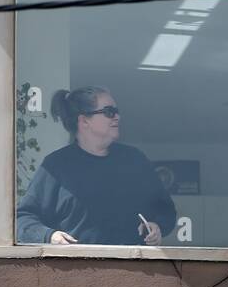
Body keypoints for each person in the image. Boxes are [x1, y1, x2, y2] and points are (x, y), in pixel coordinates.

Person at [16, 86, 177, 246]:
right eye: (109, 112)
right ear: (84, 120)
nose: (117, 117)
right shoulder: (56, 166)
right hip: (77, 269)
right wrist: (49, 236)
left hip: (134, 267)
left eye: (117, 111)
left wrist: (158, 225)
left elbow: (165, 209)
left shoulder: (135, 160)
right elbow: (23, 219)